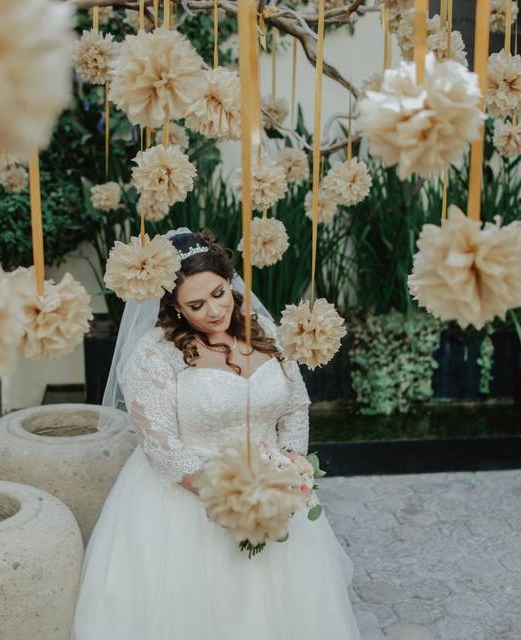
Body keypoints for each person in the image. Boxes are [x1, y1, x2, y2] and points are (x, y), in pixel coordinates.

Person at [71, 229, 361, 639]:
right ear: (172, 304)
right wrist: (231, 497)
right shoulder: (154, 355)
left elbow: (295, 404)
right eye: (196, 304)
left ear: (230, 282)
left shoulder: (263, 329)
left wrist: (290, 469)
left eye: (220, 293)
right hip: (188, 502)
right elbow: (161, 444)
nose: (213, 310)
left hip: (274, 492)